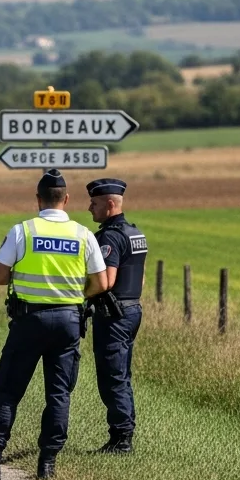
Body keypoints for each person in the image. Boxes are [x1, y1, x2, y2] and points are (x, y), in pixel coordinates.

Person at [0, 169, 106, 480]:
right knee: (58, 393)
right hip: (68, 321)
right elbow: (101, 282)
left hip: (29, 320)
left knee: (8, 391)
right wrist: (72, 296)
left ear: (37, 200)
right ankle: (47, 464)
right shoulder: (83, 235)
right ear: (67, 199)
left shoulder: (23, 231)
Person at [86, 177, 148, 454]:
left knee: (113, 376)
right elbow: (140, 279)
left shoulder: (110, 236)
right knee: (121, 373)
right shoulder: (135, 233)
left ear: (110, 204)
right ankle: (121, 435)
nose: (90, 208)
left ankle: (121, 440)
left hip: (114, 314)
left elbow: (105, 282)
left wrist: (79, 296)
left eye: (95, 203)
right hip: (132, 309)